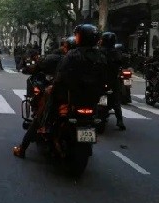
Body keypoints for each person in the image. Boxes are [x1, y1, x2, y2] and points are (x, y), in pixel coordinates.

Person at [14, 24, 107, 158]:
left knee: (40, 116)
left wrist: (54, 88)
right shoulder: (101, 56)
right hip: (91, 100)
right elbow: (104, 79)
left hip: (68, 97)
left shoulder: (73, 55)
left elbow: (60, 77)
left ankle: (22, 149)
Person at [99, 32, 125, 130]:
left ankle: (120, 120)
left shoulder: (98, 52)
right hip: (113, 80)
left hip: (101, 80)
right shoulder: (117, 53)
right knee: (116, 101)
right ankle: (120, 120)